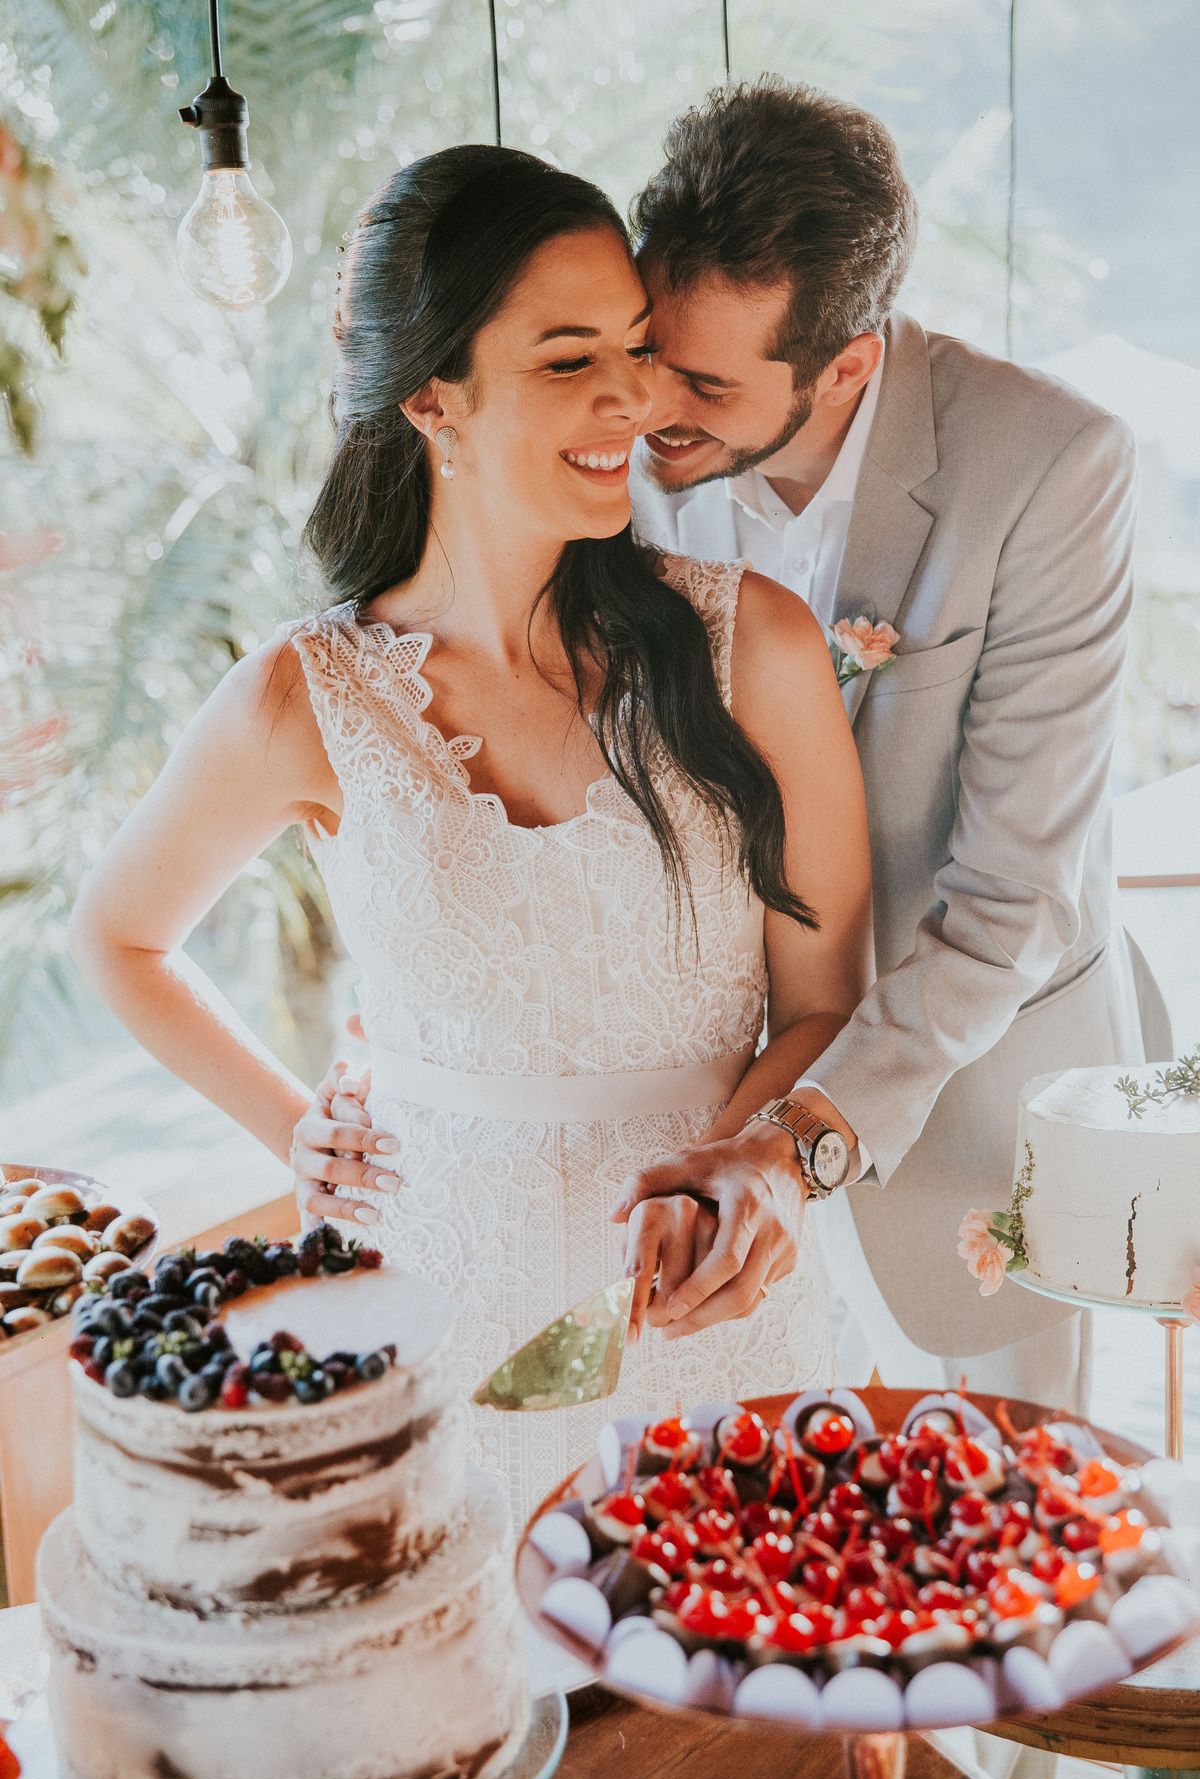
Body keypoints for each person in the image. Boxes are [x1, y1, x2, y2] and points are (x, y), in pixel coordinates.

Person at [68, 145, 872, 1521]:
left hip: (709, 1306)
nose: (635, 397)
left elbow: (827, 1000)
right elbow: (119, 938)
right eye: (570, 362)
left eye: (635, 346)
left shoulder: (761, 647)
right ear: (433, 394)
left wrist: (745, 1176)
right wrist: (292, 1126)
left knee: (747, 1708)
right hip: (433, 1308)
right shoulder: (304, 696)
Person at [614, 79, 1168, 1408]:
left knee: (1007, 1514)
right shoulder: (628, 440)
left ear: (847, 362)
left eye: (701, 383)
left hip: (974, 1108)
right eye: (648, 354)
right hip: (700, 1116)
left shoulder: (1053, 464)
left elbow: (1012, 895)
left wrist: (800, 1141)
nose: (645, 411)